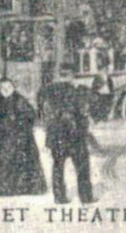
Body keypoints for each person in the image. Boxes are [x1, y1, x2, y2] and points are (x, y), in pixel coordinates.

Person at [38, 75, 97, 204]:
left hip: (56, 137)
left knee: (58, 167)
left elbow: (44, 115)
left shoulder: (47, 93)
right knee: (82, 166)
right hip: (75, 135)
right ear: (70, 77)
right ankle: (86, 196)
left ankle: (59, 197)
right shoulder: (77, 92)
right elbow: (84, 111)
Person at [0, 79, 48, 198]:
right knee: (5, 162)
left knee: (23, 162)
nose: (6, 89)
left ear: (13, 87)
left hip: (21, 137)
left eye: (8, 87)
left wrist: (20, 125)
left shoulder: (20, 100)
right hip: (5, 137)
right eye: (3, 87)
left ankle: (25, 188)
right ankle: (5, 188)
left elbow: (31, 115)